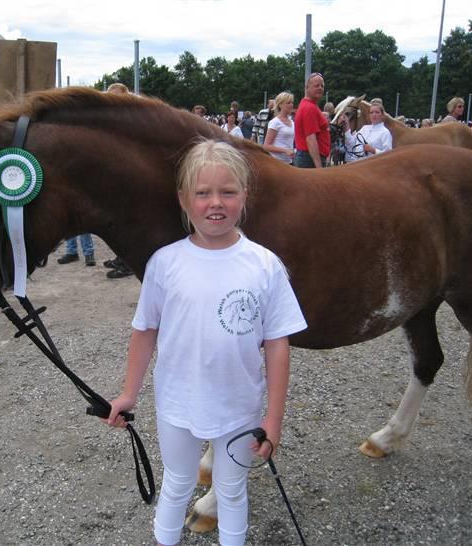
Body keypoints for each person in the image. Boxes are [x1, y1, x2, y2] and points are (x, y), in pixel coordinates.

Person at [106, 139, 307, 546]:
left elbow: (277, 343)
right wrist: (129, 392)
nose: (215, 203)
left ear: (245, 195)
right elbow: (145, 329)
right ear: (184, 199)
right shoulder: (165, 263)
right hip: (177, 404)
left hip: (238, 409)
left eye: (228, 192)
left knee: (231, 491)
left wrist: (274, 417)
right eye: (203, 193)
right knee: (177, 483)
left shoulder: (265, 265)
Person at [102, 82, 134, 278]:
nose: (111, 101)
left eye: (115, 97)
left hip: (130, 179)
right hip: (118, 178)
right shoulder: (111, 120)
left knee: (129, 224)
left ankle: (127, 263)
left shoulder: (129, 119)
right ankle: (120, 257)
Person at [293, 73, 330, 168]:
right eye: (316, 85)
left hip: (307, 157)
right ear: (307, 87)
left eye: (322, 86)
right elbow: (310, 139)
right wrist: (319, 167)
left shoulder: (309, 105)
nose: (320, 88)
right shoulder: (309, 108)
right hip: (309, 159)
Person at [263, 92, 295, 163]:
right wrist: (285, 150)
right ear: (280, 105)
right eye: (288, 103)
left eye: (292, 102)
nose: (291, 105)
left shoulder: (292, 122)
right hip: (276, 162)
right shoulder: (275, 122)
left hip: (289, 161)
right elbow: (266, 146)